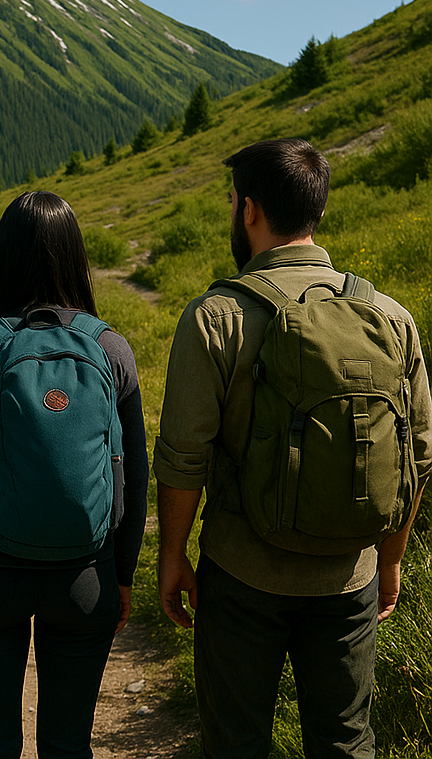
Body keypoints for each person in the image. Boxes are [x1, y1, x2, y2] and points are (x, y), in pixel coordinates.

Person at [154, 137, 432, 758]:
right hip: (348, 574)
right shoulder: (391, 316)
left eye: (232, 202)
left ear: (249, 211)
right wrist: (389, 559)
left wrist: (173, 555)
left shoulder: (215, 316)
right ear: (317, 211)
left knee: (236, 742)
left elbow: (182, 456)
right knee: (345, 742)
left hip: (241, 570)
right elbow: (417, 455)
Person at [0, 190, 149, 759]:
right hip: (84, 576)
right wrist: (122, 575)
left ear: (2, 255)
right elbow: (135, 472)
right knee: (68, 745)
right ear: (76, 256)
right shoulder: (110, 348)